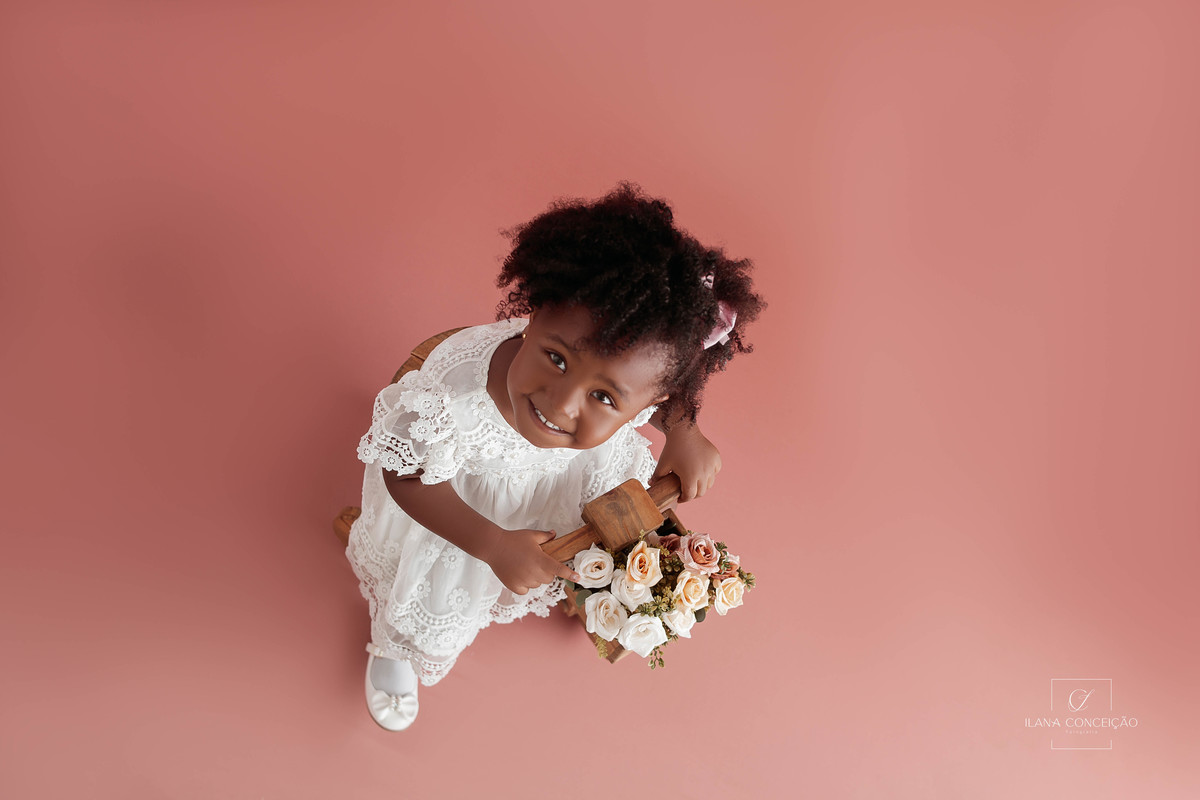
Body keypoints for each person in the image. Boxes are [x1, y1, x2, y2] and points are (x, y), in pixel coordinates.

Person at [346, 183, 764, 730]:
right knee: (433, 598)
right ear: (535, 316)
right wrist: (492, 543)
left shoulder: (643, 391)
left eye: (606, 398)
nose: (561, 404)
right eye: (555, 358)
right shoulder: (451, 398)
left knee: (602, 528)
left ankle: (573, 577)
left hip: (553, 489)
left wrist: (684, 430)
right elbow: (405, 472)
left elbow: (658, 401)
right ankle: (396, 648)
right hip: (459, 516)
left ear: (652, 400)